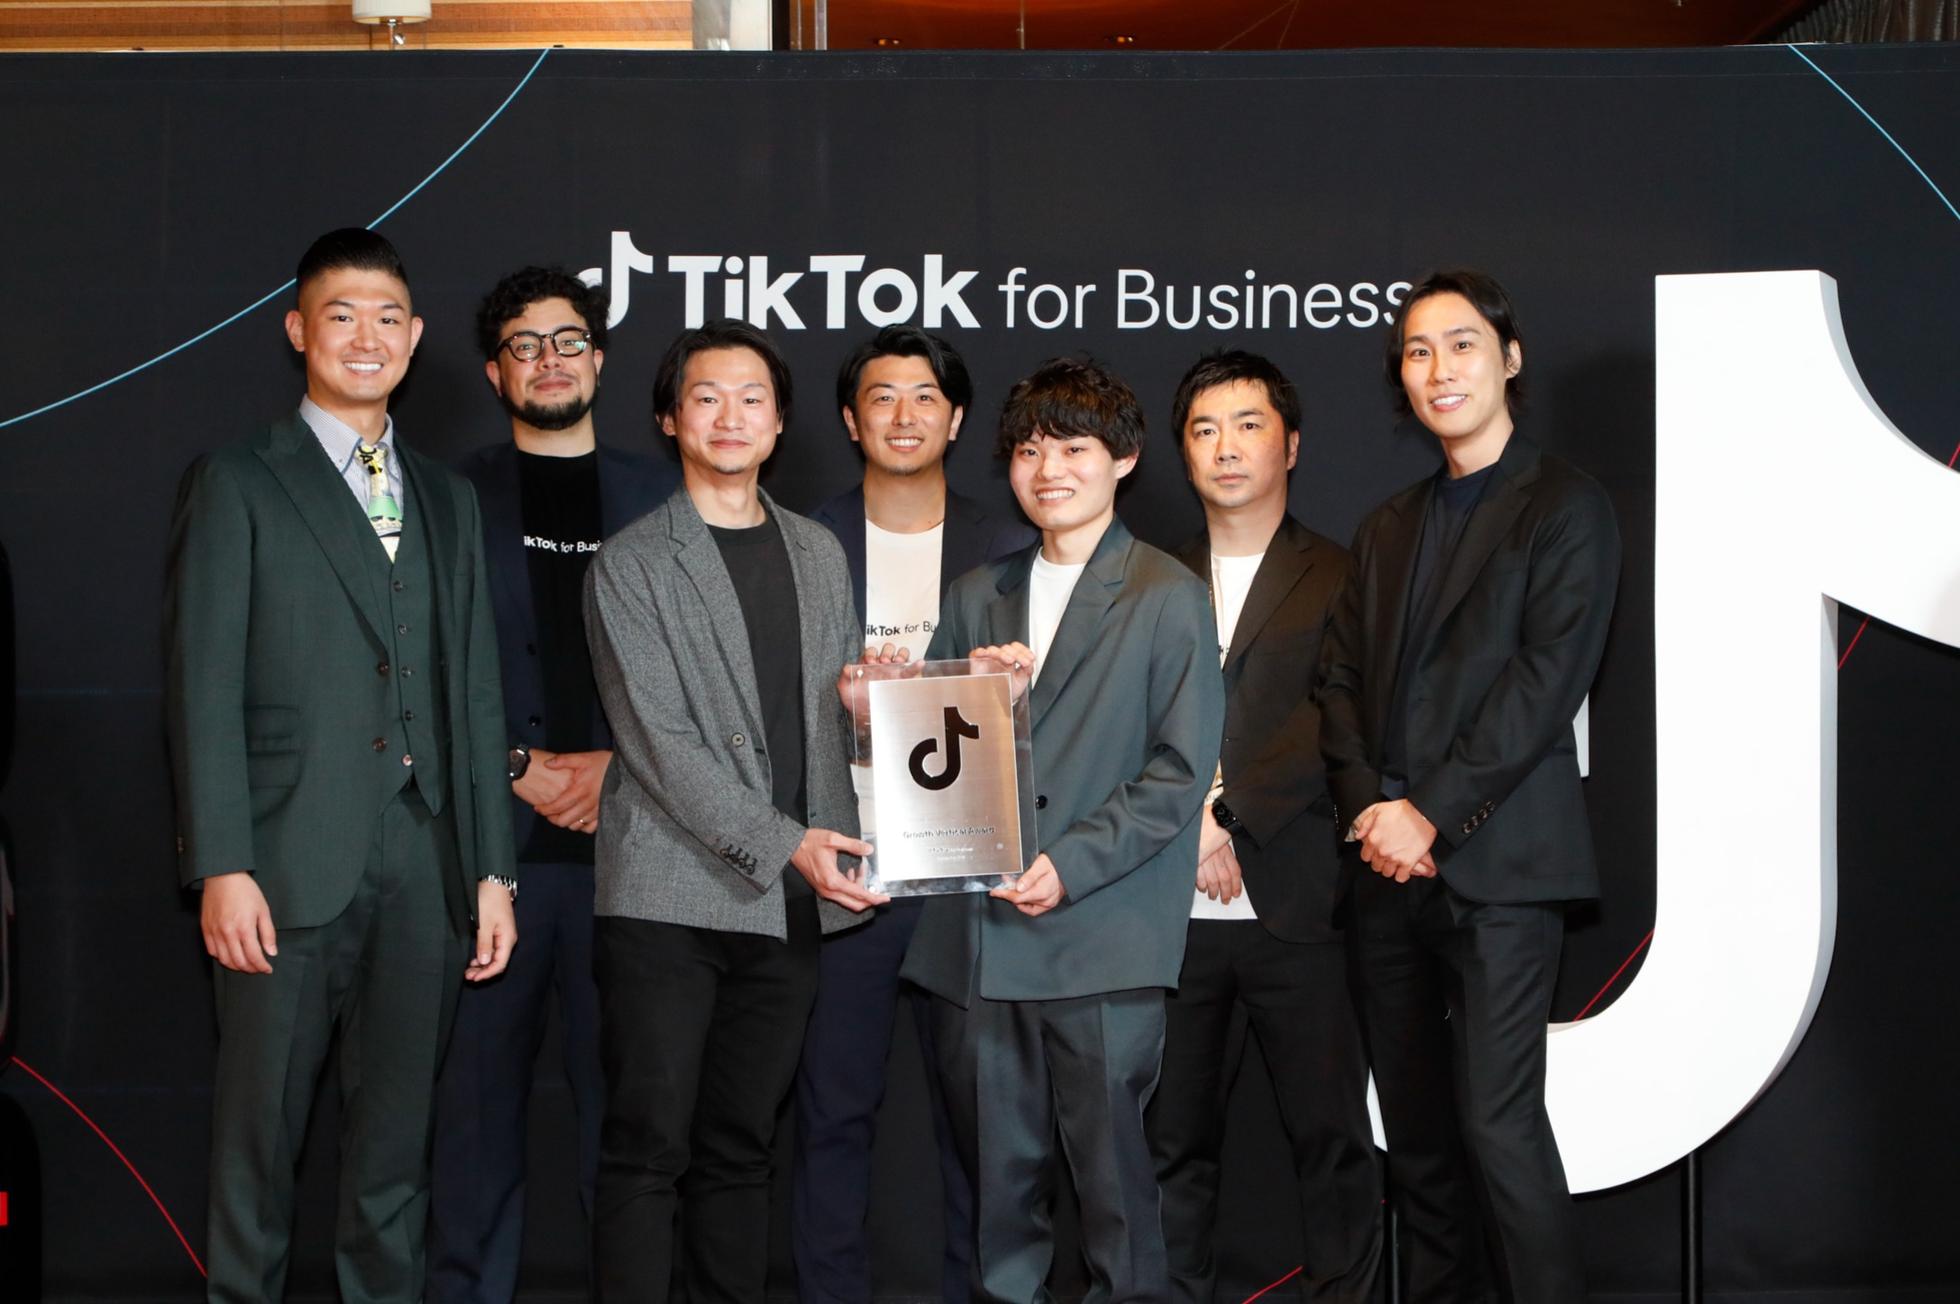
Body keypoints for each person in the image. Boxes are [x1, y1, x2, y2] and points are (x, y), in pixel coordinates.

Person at [164, 227, 517, 1303]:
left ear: (414, 336)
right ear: (297, 331)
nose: (367, 338)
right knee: (257, 1150)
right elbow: (200, 683)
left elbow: (474, 686)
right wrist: (221, 861)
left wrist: (490, 868)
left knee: (395, 1158)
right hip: (282, 861)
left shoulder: (447, 496)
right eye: (341, 316)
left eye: (387, 318)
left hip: (427, 861)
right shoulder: (238, 479)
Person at [1317, 269, 1621, 1303]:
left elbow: (1545, 683)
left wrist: (1429, 813)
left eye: (1459, 344)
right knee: (1416, 1141)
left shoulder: (1567, 505)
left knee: (1498, 1123)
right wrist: (1372, 808)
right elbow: (1339, 680)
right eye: (1417, 351)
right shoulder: (1386, 526)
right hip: (1382, 871)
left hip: (1501, 868)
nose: (1438, 368)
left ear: (1509, 358)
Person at [901, 357, 1224, 1304]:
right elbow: (931, 772)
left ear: (1123, 458)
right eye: (1029, 450)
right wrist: (893, 707)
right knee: (998, 1212)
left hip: (1102, 935)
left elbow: (1178, 772)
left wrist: (1069, 865)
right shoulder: (976, 594)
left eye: (1074, 448)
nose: (1049, 470)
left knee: (1118, 1198)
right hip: (980, 939)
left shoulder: (1166, 593)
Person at [582, 319, 884, 1303]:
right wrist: (788, 842)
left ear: (780, 420)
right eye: (705, 396)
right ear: (670, 418)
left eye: (752, 397)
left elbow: (827, 724)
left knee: (742, 1147)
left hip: (786, 904)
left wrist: (866, 713)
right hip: (667, 898)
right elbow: (658, 744)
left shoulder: (818, 551)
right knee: (648, 1146)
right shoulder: (630, 562)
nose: (729, 416)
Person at [430, 266, 678, 1303]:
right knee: (472, 1127)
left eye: (567, 339)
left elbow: (709, 675)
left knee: (629, 1135)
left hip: (637, 861)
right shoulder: (446, 497)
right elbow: (416, 665)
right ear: (495, 372)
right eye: (523, 345)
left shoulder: (664, 496)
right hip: (491, 862)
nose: (548, 359)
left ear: (599, 359)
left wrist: (622, 767)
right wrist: (516, 767)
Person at [793, 325, 1032, 1304]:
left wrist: (1016, 688)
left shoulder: (1009, 546)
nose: (903, 414)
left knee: (979, 1121)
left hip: (968, 875)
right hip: (844, 868)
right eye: (881, 396)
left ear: (957, 417)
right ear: (850, 421)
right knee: (831, 1113)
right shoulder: (802, 539)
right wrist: (838, 699)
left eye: (925, 395)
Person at [1147, 351, 1382, 1302]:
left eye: (1247, 425)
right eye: (1204, 430)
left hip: (1300, 908)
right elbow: (1121, 726)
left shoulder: (1344, 574)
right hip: (1167, 916)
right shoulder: (1145, 578)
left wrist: (1228, 815)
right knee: (1169, 1145)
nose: (1226, 447)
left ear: (1290, 445)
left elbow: (1339, 721)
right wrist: (1191, 826)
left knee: (1332, 1143)